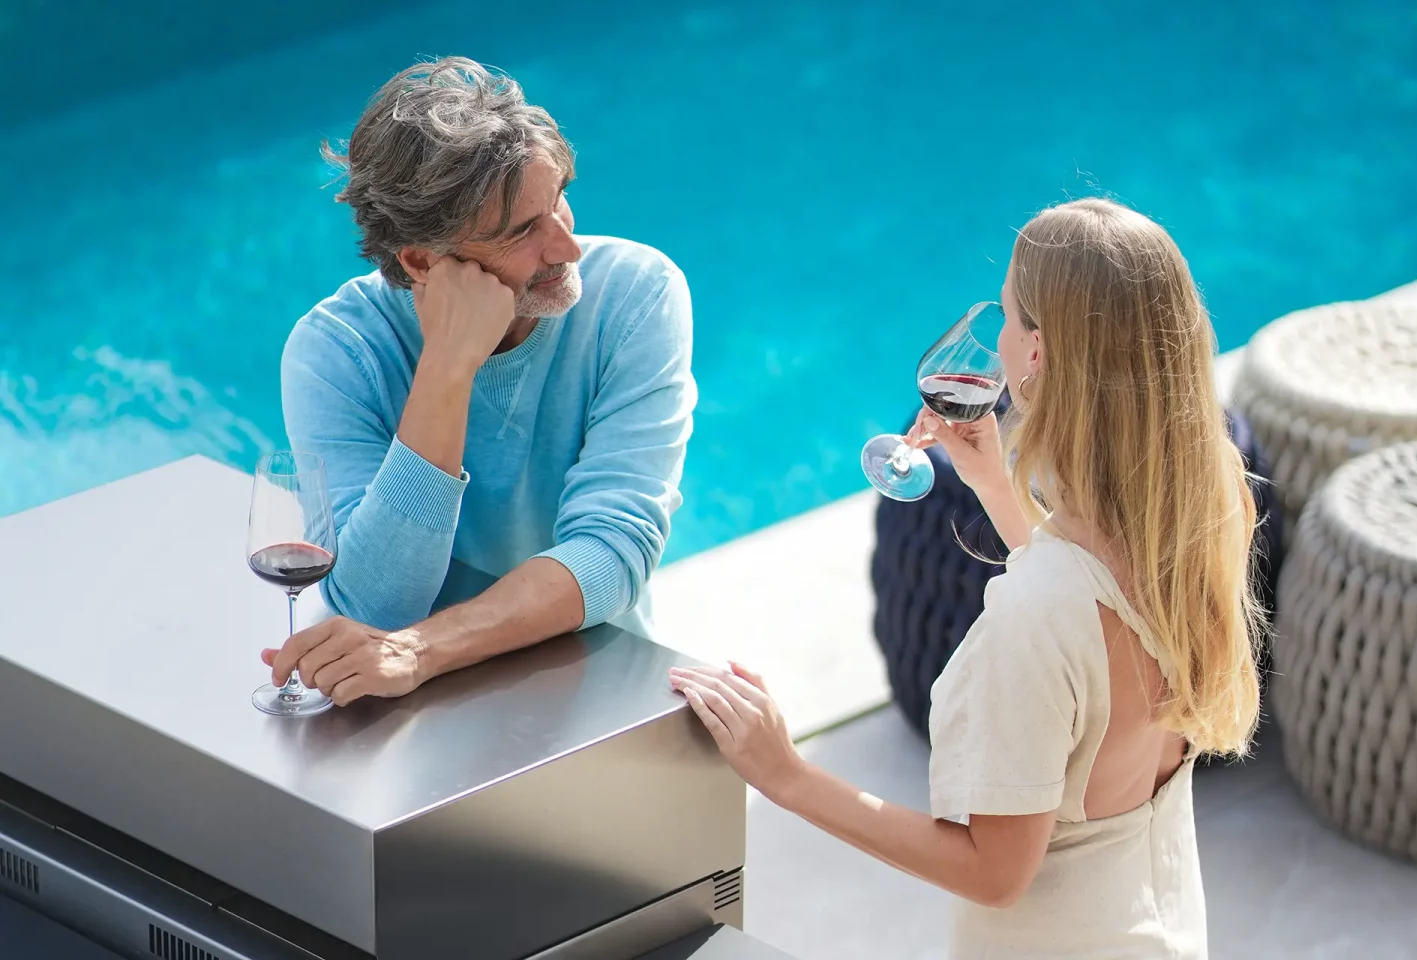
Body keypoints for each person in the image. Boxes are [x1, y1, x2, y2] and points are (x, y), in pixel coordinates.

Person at [671, 198, 1262, 958]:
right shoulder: (1201, 516)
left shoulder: (1036, 615)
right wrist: (996, 487)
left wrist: (785, 775)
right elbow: (1098, 626)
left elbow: (994, 873)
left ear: (1037, 355)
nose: (999, 337)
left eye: (1009, 318)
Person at [262, 57, 696, 707]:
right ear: (420, 261)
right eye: (523, 231)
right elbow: (372, 601)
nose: (566, 248)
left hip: (586, 689)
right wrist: (448, 366)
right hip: (398, 715)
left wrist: (422, 650)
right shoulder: (336, 352)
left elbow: (614, 554)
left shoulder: (635, 294)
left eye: (559, 203)